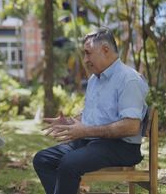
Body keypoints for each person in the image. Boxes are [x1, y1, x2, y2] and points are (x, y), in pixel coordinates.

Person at [33, 27, 149, 194]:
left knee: (69, 163)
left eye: (88, 53)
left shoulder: (129, 79)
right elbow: (92, 115)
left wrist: (85, 130)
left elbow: (131, 127)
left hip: (122, 147)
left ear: (105, 50)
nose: (85, 59)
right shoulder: (95, 79)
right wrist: (71, 122)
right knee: (42, 159)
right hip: (94, 141)